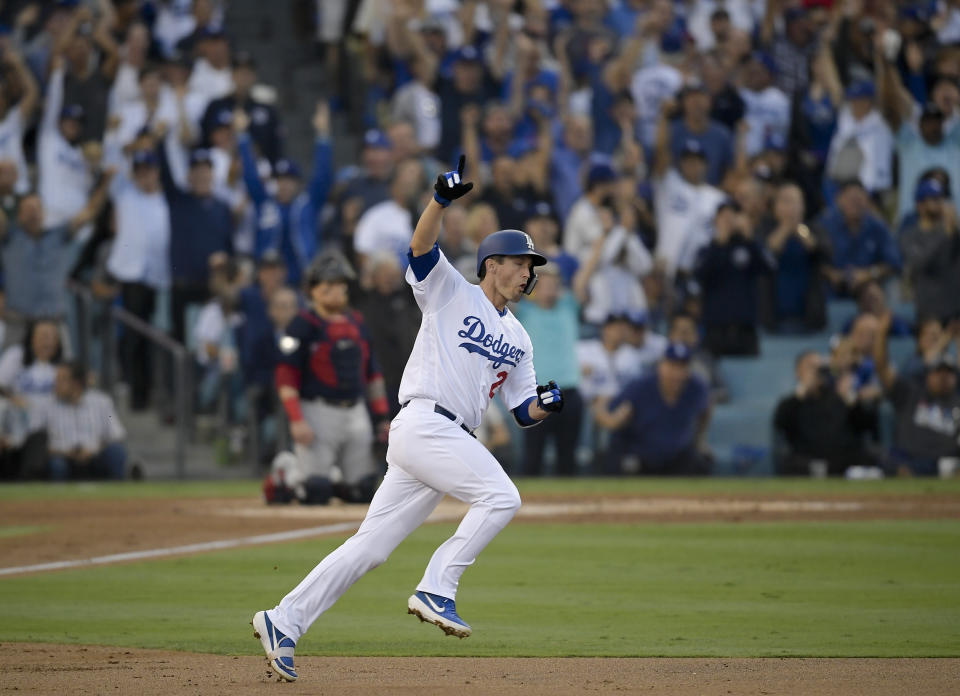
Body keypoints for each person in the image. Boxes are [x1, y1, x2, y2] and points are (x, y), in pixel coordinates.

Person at [252, 157, 563, 682]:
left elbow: (521, 412)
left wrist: (545, 405)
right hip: (425, 423)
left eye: (533, 266)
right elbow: (420, 249)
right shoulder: (451, 292)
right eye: (522, 262)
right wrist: (439, 201)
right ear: (492, 263)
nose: (529, 272)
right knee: (502, 496)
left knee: (369, 547)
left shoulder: (520, 339)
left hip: (441, 440)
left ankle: (283, 620)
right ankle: (438, 587)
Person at [267, 254, 389, 507]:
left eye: (340, 285)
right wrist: (296, 419)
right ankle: (286, 473)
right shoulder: (301, 325)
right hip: (317, 411)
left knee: (364, 491)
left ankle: (331, 473)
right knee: (316, 492)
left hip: (355, 410)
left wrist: (381, 417)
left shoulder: (357, 322)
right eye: (328, 285)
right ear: (312, 290)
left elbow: (373, 373)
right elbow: (285, 374)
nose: (335, 292)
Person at [236, 102, 332, 286]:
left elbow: (323, 176)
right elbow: (250, 175)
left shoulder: (308, 204)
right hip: (268, 281)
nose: (285, 184)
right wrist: (242, 136)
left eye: (290, 180)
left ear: (297, 183)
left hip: (304, 281)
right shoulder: (265, 203)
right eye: (280, 179)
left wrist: (323, 135)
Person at [594, 342, 711, 475]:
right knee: (617, 463)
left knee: (700, 463)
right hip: (639, 454)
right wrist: (615, 420)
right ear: (661, 366)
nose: (677, 373)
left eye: (682, 367)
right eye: (672, 366)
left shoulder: (696, 387)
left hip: (677, 456)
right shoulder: (640, 386)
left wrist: (700, 438)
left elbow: (706, 408)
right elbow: (606, 412)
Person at [514, 263, 583, 476]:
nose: (551, 290)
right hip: (536, 392)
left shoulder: (568, 306)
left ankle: (569, 505)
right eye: (545, 285)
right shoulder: (524, 311)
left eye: (554, 285)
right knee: (532, 456)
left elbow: (583, 279)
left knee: (567, 456)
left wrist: (603, 238)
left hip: (569, 390)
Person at [874, 312, 960, 476]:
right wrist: (881, 334)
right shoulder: (912, 392)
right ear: (929, 375)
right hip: (908, 458)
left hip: (943, 463)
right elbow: (882, 368)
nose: (943, 377)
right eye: (939, 372)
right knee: (887, 459)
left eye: (948, 373)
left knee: (949, 466)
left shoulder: (957, 401)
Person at [772, 350, 879, 476]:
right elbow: (780, 424)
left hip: (842, 459)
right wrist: (801, 393)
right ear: (798, 372)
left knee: (865, 459)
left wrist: (851, 398)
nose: (816, 372)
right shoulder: (792, 402)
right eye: (810, 367)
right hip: (807, 460)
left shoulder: (839, 395)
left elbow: (866, 425)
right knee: (791, 464)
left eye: (819, 367)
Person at [39, 362, 126, 481]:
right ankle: (56, 498)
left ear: (76, 383)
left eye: (61, 380)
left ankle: (117, 497)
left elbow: (117, 434)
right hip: (62, 458)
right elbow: (37, 442)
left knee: (116, 451)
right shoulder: (47, 406)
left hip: (95, 457)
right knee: (57, 464)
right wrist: (65, 453)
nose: (55, 384)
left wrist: (94, 450)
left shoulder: (103, 402)